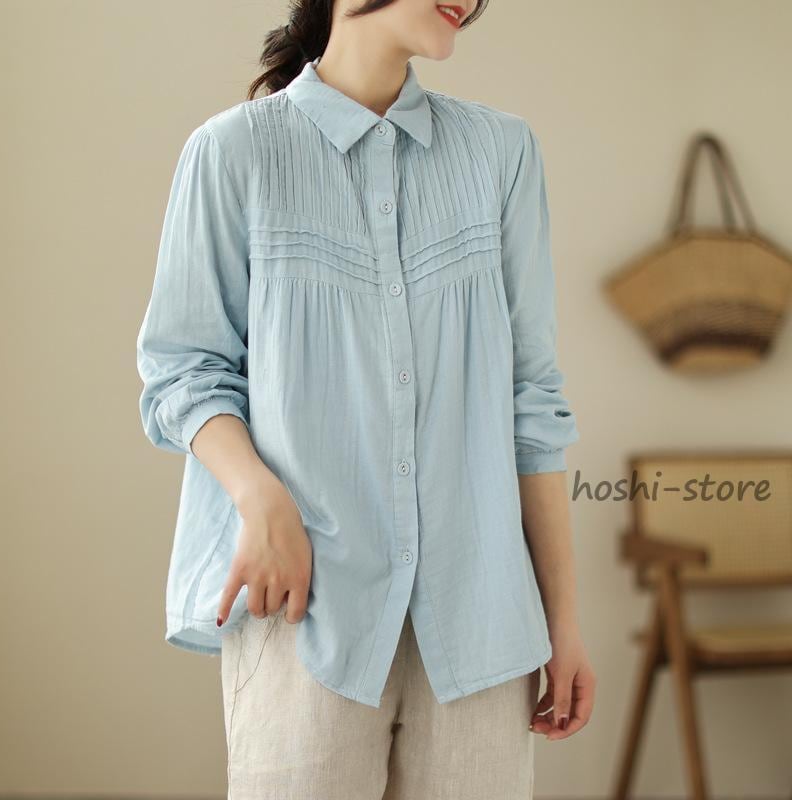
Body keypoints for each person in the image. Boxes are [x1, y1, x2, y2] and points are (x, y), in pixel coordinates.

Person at [136, 0, 596, 797]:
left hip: (483, 621)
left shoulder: (502, 152)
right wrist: (261, 499)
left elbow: (533, 404)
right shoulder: (233, 152)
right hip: (304, 607)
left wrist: (563, 621)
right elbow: (182, 370)